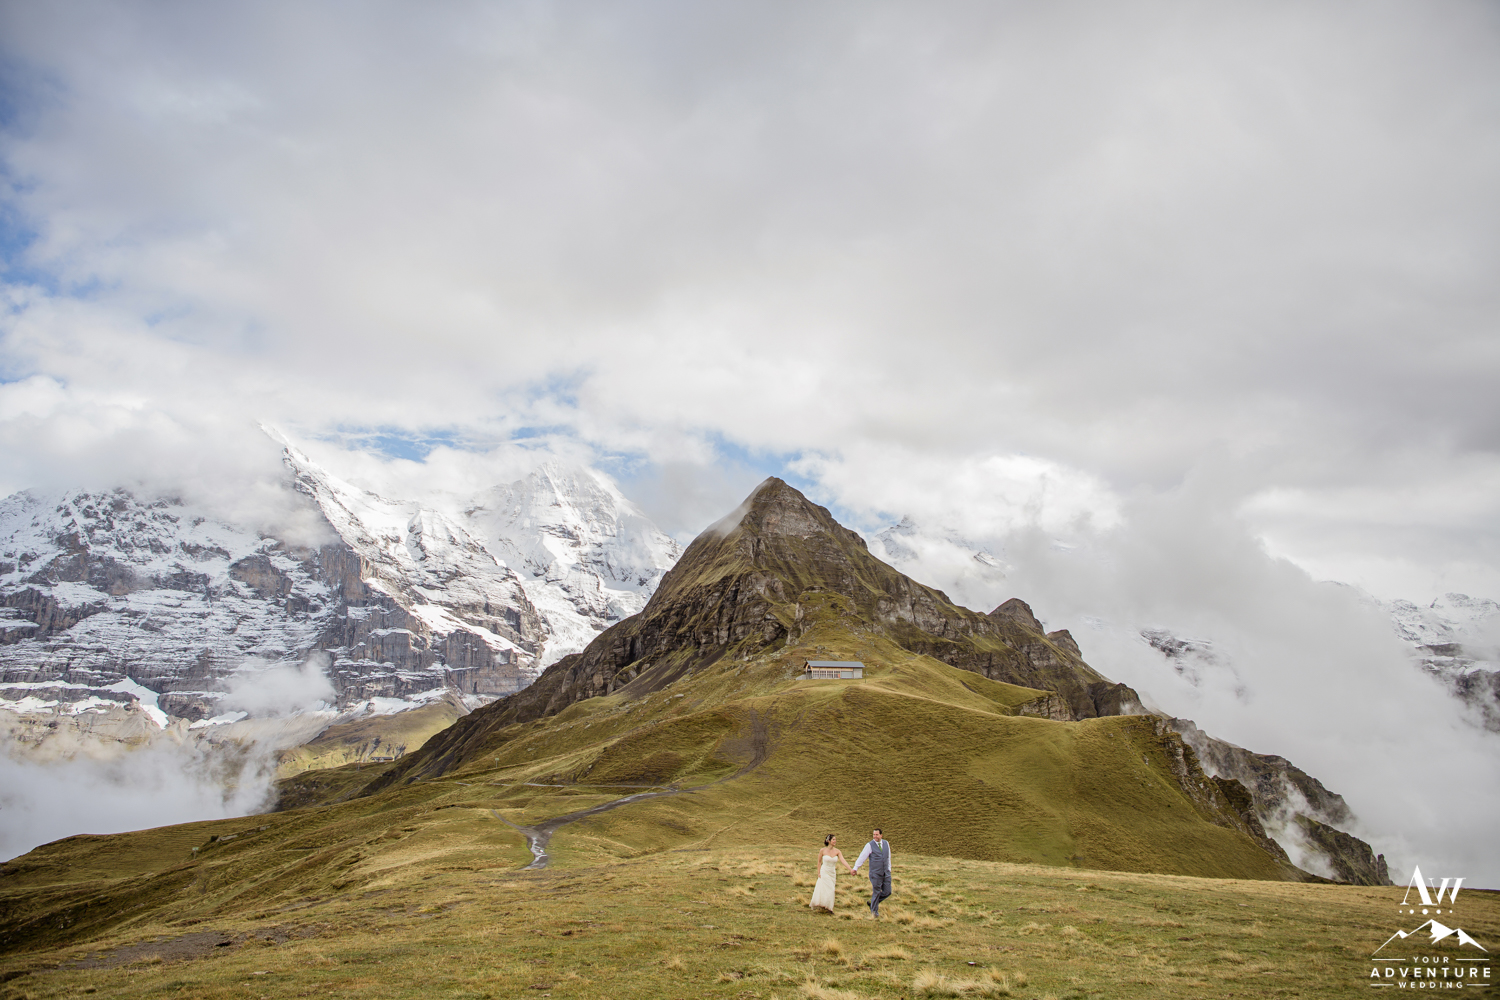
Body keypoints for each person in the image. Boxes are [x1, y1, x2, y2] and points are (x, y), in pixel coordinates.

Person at [850, 828, 892, 918]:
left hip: (886, 872)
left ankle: (873, 903)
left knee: (888, 891)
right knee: (876, 892)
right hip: (875, 873)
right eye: (874, 835)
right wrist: (855, 868)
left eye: (877, 835)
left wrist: (889, 869)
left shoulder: (886, 843)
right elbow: (862, 857)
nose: (875, 836)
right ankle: (874, 912)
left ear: (881, 835)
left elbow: (888, 857)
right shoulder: (869, 845)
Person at [809, 833, 855, 912]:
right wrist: (818, 872)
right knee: (824, 888)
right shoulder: (822, 850)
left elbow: (843, 860)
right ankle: (823, 905)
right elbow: (819, 862)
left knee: (831, 889)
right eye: (833, 839)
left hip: (832, 873)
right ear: (829, 841)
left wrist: (850, 869)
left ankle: (828, 906)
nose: (835, 841)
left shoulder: (837, 851)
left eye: (835, 840)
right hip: (824, 871)